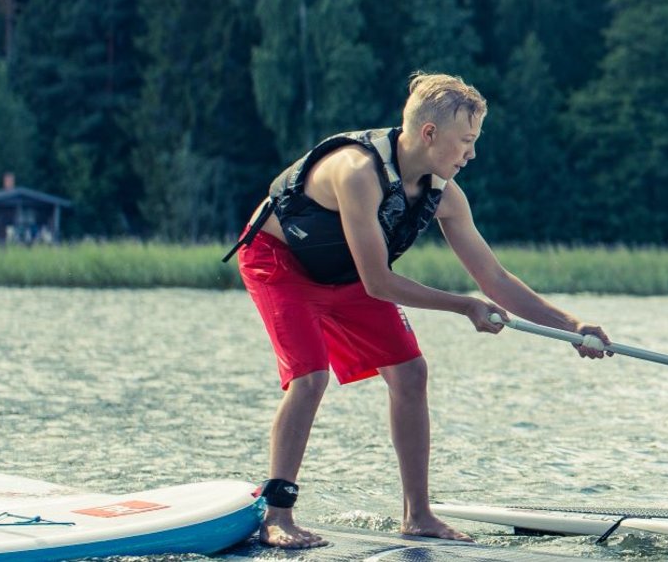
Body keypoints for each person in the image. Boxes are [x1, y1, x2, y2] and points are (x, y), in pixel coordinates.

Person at [223, 72, 612, 549]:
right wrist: (464, 307)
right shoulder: (356, 173)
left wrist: (572, 327)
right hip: (280, 263)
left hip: (346, 273)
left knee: (410, 373)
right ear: (429, 134)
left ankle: (418, 514)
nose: (471, 154)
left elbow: (494, 279)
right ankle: (277, 514)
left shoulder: (445, 194)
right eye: (466, 142)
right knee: (310, 377)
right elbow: (379, 282)